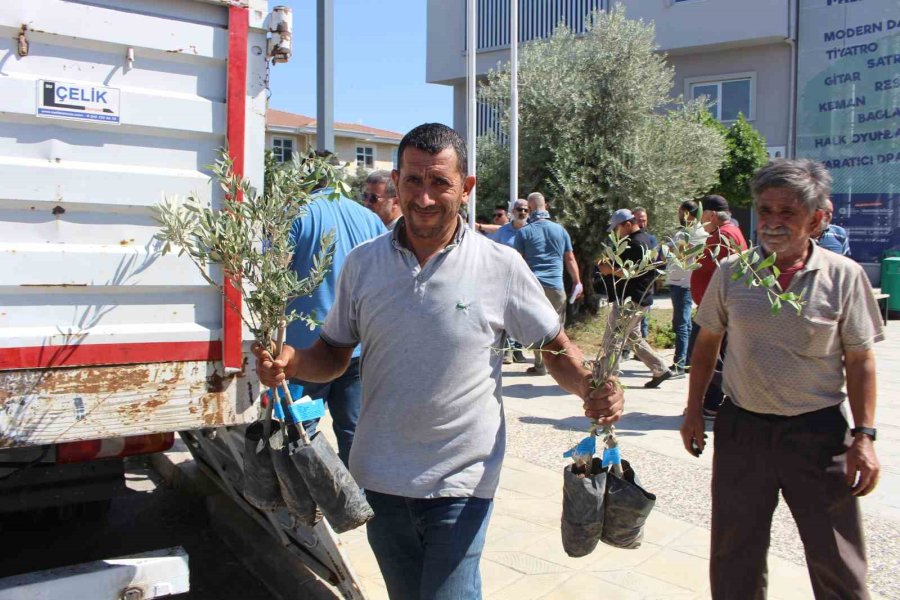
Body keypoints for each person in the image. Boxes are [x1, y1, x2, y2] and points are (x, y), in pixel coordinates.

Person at [254, 123, 624, 600]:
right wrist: (294, 361)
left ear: (466, 188)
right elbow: (333, 354)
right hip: (378, 478)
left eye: (440, 183)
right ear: (397, 180)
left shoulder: (500, 266)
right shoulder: (363, 264)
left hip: (462, 479)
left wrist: (592, 387)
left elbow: (553, 346)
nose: (424, 198)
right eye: (413, 181)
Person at [680, 159, 883, 599]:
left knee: (837, 557)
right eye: (765, 210)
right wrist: (693, 410)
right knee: (735, 553)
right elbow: (707, 344)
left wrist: (864, 436)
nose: (772, 223)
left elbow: (861, 359)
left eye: (786, 212)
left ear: (816, 218)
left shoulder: (843, 276)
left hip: (819, 432)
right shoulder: (733, 271)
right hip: (743, 429)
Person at [285, 173, 386, 467]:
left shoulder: (297, 212)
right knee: (353, 430)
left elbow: (272, 273)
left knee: (301, 432)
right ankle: (359, 503)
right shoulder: (368, 217)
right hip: (355, 350)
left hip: (306, 357)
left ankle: (308, 503)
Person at [597, 209, 676, 388]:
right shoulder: (645, 240)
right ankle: (660, 369)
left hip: (631, 301)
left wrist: (609, 270)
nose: (616, 233)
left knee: (614, 339)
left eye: (617, 228)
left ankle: (609, 379)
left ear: (627, 224)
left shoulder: (636, 243)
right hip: (640, 299)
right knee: (633, 338)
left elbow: (633, 273)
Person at [687, 194, 747, 417]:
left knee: (703, 355)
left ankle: (720, 397)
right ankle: (711, 404)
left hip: (717, 310)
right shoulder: (730, 233)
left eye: (703, 213)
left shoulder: (722, 236)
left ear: (711, 214)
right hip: (720, 307)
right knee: (715, 355)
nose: (701, 218)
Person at [514, 192, 584, 375]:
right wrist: (577, 282)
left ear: (529, 209)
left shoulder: (524, 232)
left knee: (537, 325)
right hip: (556, 286)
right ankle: (562, 363)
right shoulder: (560, 230)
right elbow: (570, 259)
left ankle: (540, 365)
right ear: (546, 206)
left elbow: (516, 261)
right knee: (557, 325)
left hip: (534, 287)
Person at [665, 200, 707, 374]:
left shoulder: (697, 232)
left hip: (684, 283)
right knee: (684, 323)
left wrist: (673, 249)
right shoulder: (685, 231)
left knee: (681, 324)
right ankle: (688, 361)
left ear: (687, 213)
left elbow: (685, 252)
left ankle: (679, 363)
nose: (679, 215)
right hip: (678, 281)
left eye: (680, 212)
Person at [490, 198, 531, 364]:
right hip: (504, 279)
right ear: (512, 212)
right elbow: (492, 251)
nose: (522, 212)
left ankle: (518, 350)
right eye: (519, 209)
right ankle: (507, 350)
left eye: (525, 210)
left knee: (522, 315)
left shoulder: (531, 230)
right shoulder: (503, 232)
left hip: (525, 279)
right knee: (506, 314)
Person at [631, 206, 657, 340]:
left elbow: (655, 260)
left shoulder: (651, 239)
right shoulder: (627, 240)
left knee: (643, 319)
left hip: (645, 286)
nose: (642, 223)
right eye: (639, 220)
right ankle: (627, 349)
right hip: (631, 287)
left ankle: (641, 346)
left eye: (644, 220)